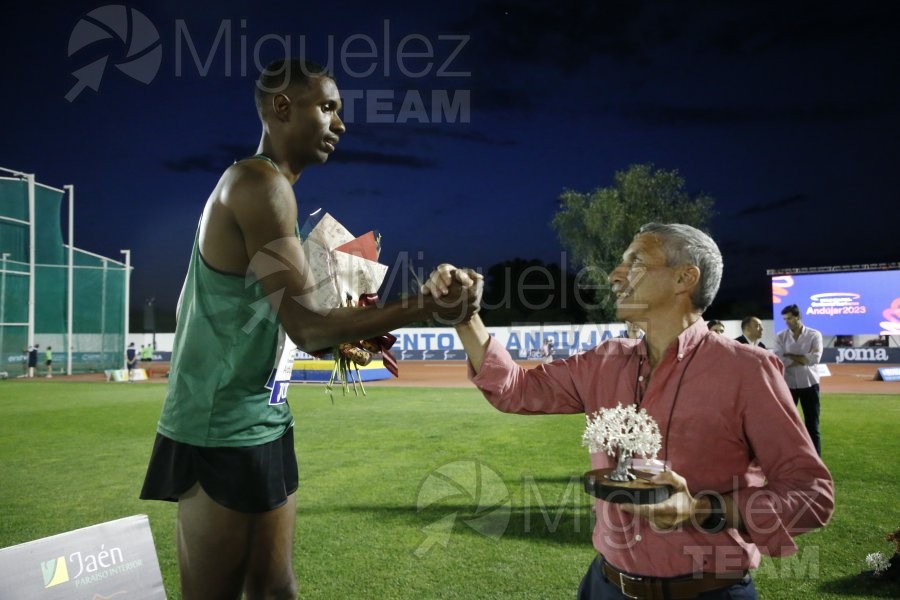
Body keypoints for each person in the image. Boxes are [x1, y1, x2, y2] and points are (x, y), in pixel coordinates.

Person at [139, 58, 478, 600]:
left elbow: (224, 311)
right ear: (281, 108)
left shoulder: (275, 196)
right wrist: (425, 306)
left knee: (276, 590)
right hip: (218, 428)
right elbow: (307, 329)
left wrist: (347, 307)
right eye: (327, 108)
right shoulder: (258, 184)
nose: (340, 123)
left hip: (264, 419)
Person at [426, 223, 833, 600]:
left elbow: (811, 496)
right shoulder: (603, 362)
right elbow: (514, 389)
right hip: (605, 584)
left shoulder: (747, 370)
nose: (614, 275)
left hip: (708, 591)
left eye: (635, 262)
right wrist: (466, 317)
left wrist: (701, 509)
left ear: (683, 278)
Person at [773, 304, 823, 455]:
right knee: (787, 424)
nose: (787, 321)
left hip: (810, 385)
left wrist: (790, 356)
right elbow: (779, 360)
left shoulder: (814, 335)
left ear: (798, 317)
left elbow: (815, 359)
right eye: (785, 319)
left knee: (812, 425)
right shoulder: (781, 336)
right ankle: (789, 456)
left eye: (790, 318)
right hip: (788, 386)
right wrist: (802, 358)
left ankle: (816, 459)